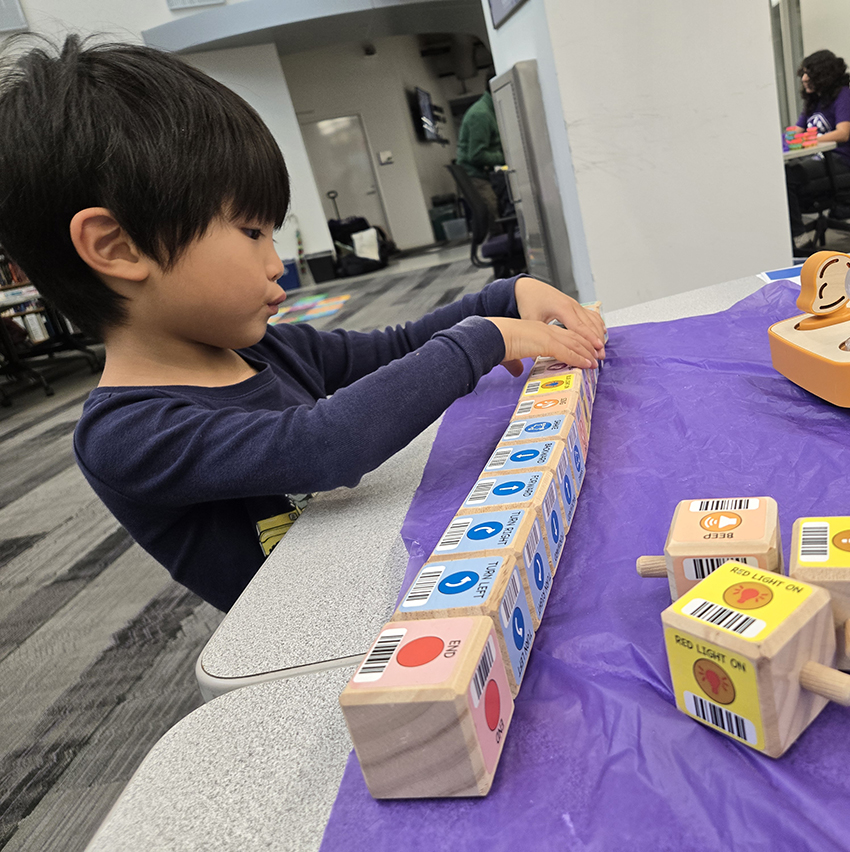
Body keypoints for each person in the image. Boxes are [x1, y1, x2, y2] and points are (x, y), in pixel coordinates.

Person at [0, 36, 606, 611]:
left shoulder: (267, 347)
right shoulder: (126, 435)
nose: (277, 262)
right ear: (118, 246)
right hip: (322, 647)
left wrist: (501, 297)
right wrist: (484, 339)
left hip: (399, 572)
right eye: (251, 232)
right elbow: (325, 445)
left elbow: (394, 346)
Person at [785, 49, 850, 250]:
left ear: (823, 75)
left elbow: (843, 133)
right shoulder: (814, 102)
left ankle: (799, 240)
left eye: (808, 74)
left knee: (789, 177)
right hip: (818, 161)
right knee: (782, 174)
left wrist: (809, 140)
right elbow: (797, 131)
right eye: (803, 74)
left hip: (840, 163)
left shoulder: (843, 95)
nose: (804, 79)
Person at [456, 84, 511, 232]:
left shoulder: (490, 111)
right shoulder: (481, 115)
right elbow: (477, 155)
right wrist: (506, 157)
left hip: (484, 175)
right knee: (497, 221)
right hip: (477, 178)